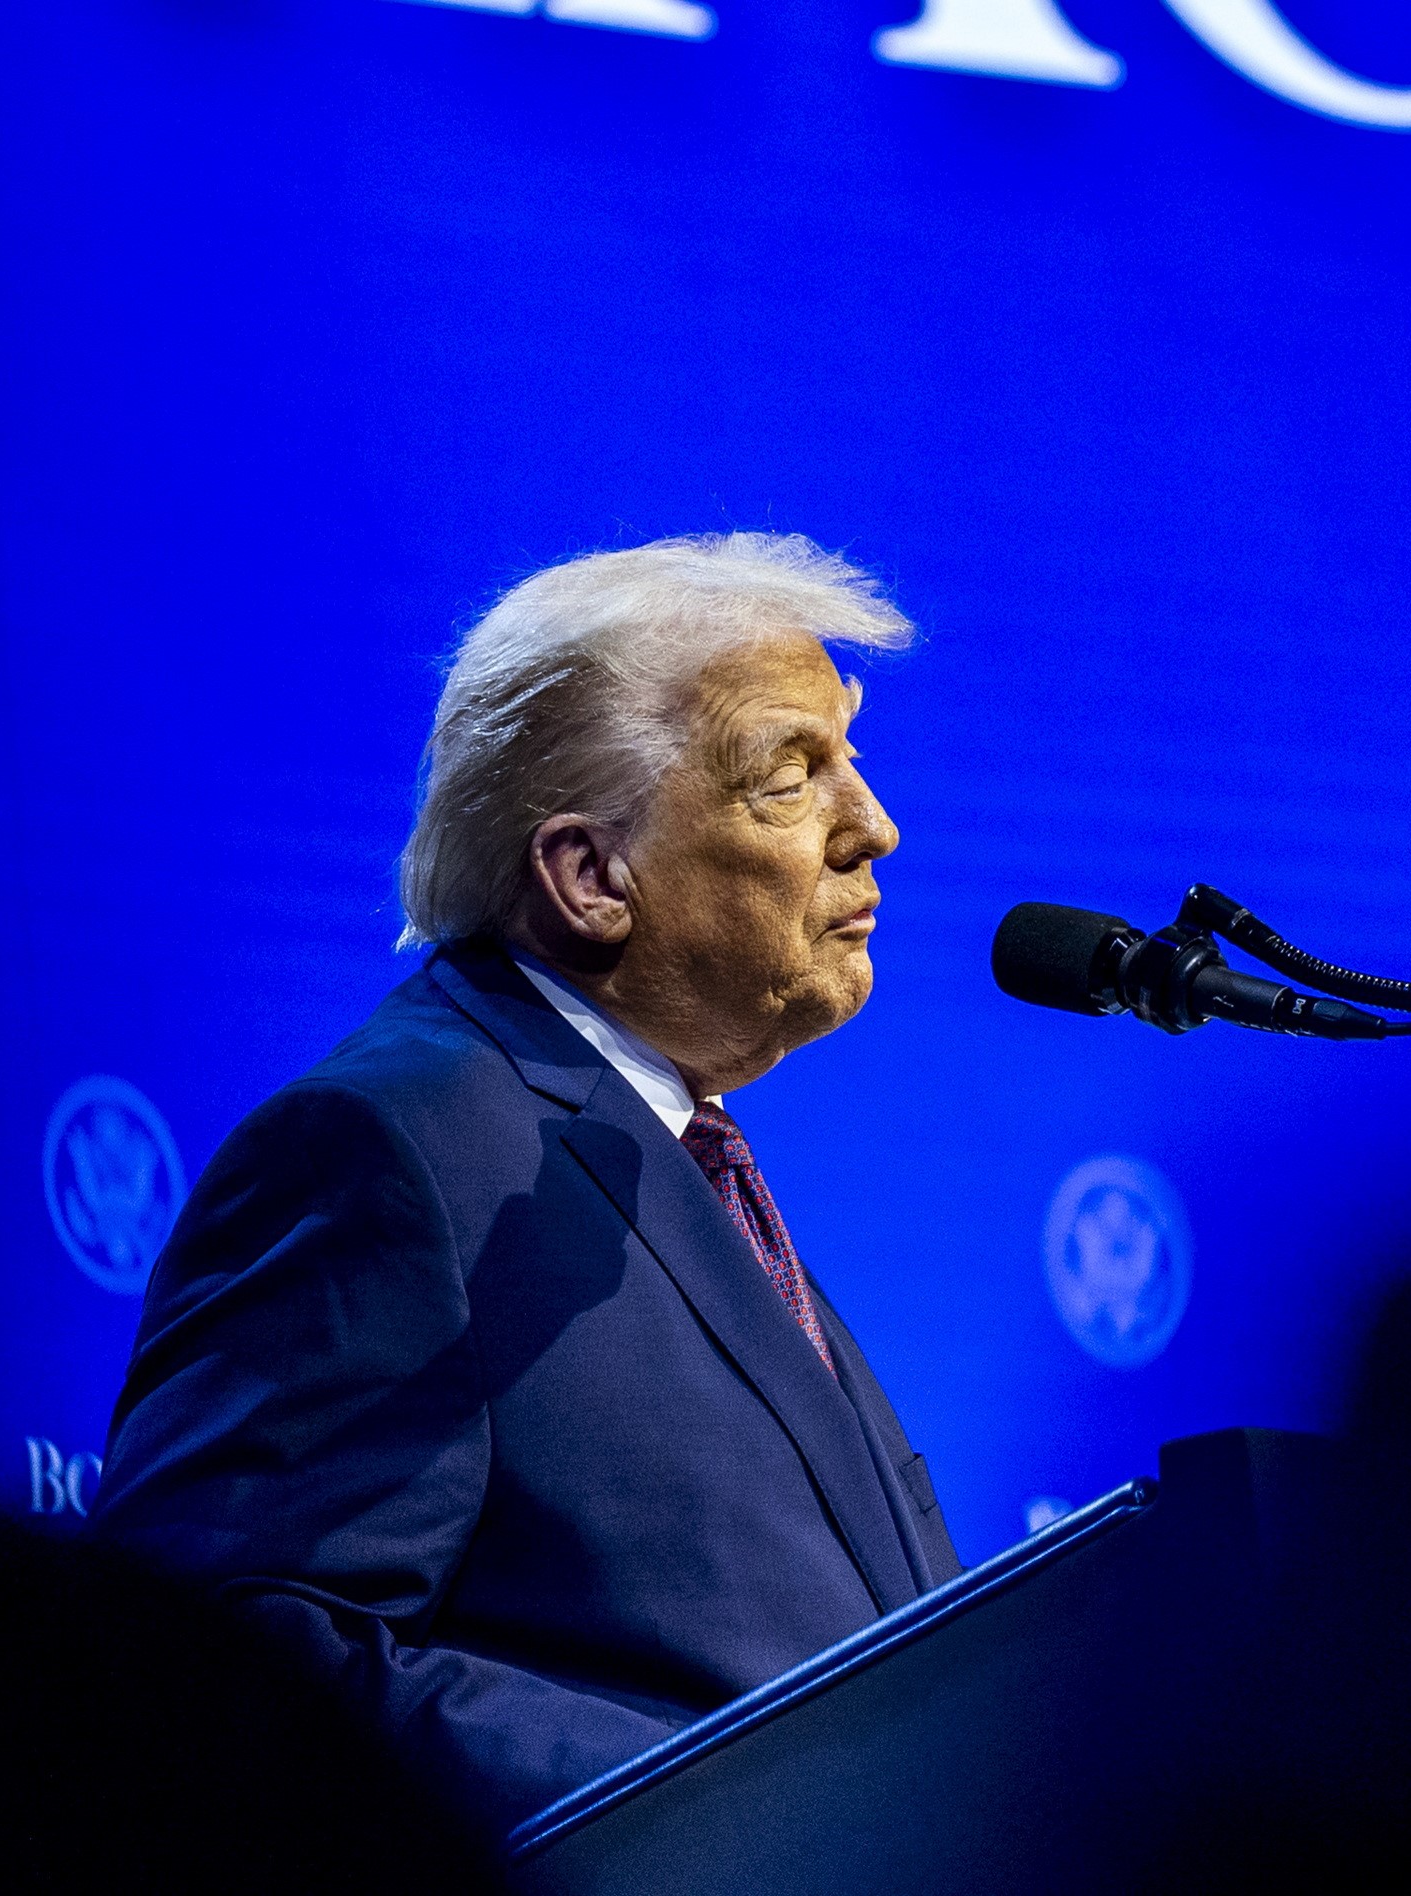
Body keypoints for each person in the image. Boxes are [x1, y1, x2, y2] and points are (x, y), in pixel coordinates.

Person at [90, 533, 962, 1830]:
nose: (873, 826)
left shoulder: (671, 1149)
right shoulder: (388, 1144)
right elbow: (218, 1648)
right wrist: (714, 1801)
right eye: (790, 776)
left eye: (850, 754)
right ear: (591, 877)